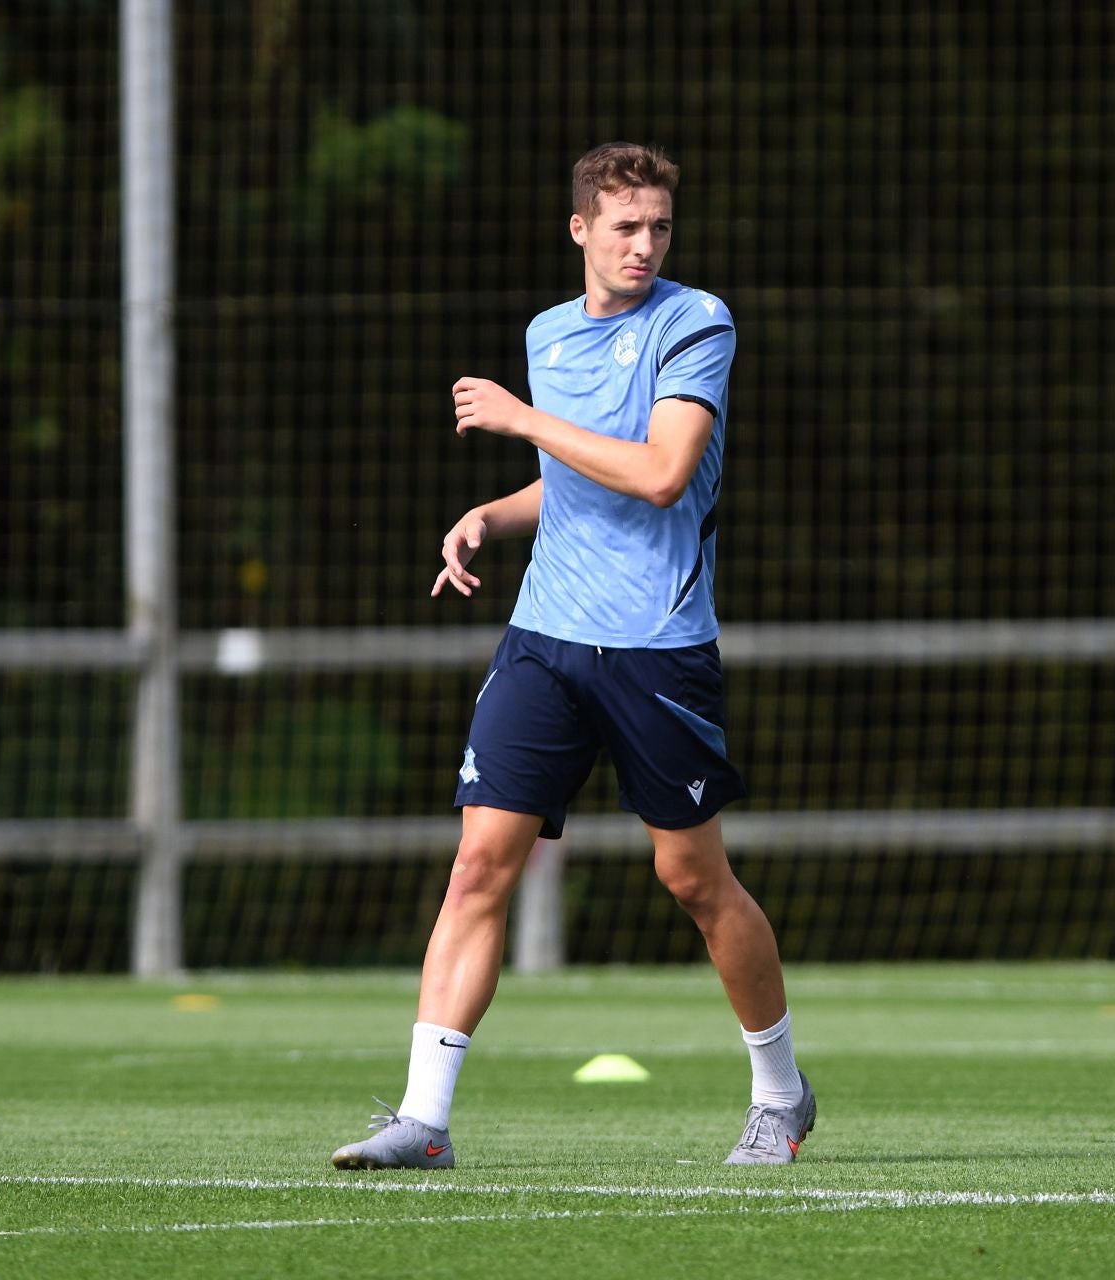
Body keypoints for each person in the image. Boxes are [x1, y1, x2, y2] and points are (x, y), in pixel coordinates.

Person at [331, 142, 812, 1169]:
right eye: (626, 226)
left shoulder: (697, 321)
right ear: (581, 229)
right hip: (545, 639)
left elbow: (658, 473)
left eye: (661, 228)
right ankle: (424, 1118)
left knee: (691, 876)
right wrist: (492, 514)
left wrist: (518, 417)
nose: (646, 245)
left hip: (656, 648)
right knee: (477, 864)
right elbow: (577, 482)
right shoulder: (549, 334)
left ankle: (781, 1091)